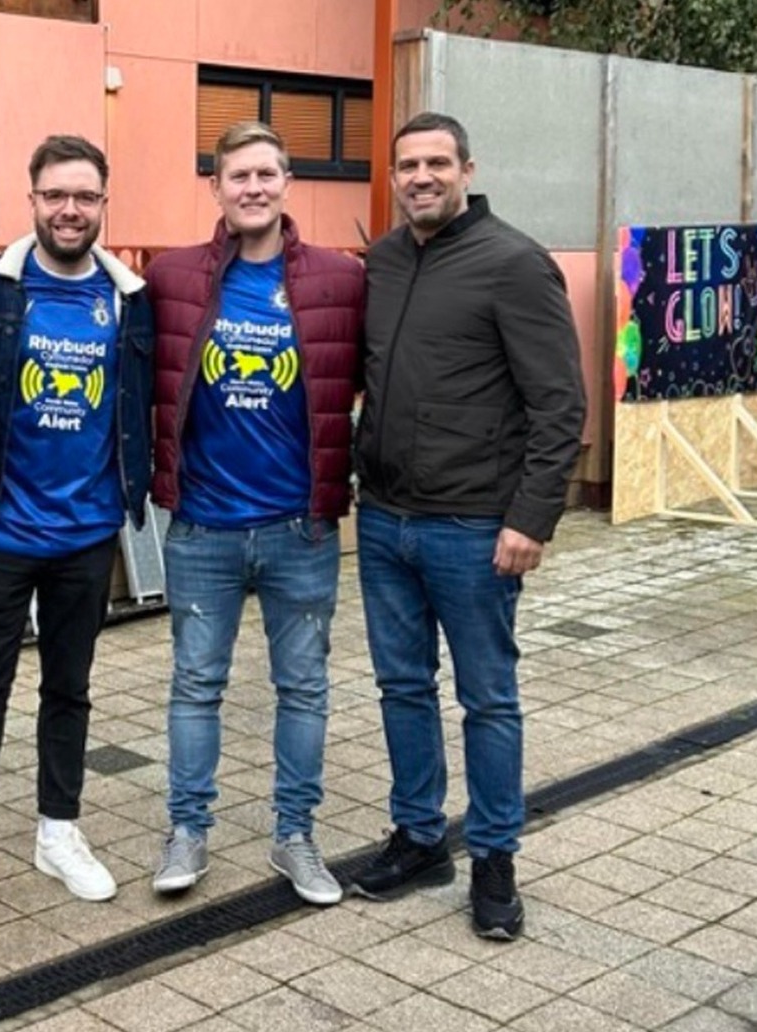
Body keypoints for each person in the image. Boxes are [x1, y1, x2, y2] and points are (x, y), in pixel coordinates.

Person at [349, 111, 585, 941]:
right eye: (408, 164)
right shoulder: (378, 262)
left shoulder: (515, 264)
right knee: (402, 687)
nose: (421, 176)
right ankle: (419, 837)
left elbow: (559, 403)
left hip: (476, 530)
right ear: (394, 174)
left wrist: (532, 517)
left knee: (488, 699)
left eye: (437, 163)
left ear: (466, 169)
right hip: (383, 522)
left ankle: (493, 858)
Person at [0, 135, 154, 914]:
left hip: (87, 532)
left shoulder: (128, 298)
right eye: (56, 195)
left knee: (69, 689)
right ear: (33, 200)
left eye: (84, 196)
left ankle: (59, 830)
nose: (70, 210)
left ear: (102, 205)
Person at [144, 121, 363, 906]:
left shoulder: (339, 279)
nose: (253, 188)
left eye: (266, 173)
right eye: (238, 175)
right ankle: (187, 831)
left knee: (303, 687)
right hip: (202, 526)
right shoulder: (173, 277)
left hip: (299, 529)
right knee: (195, 684)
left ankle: (295, 836)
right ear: (216, 187)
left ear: (286, 181)